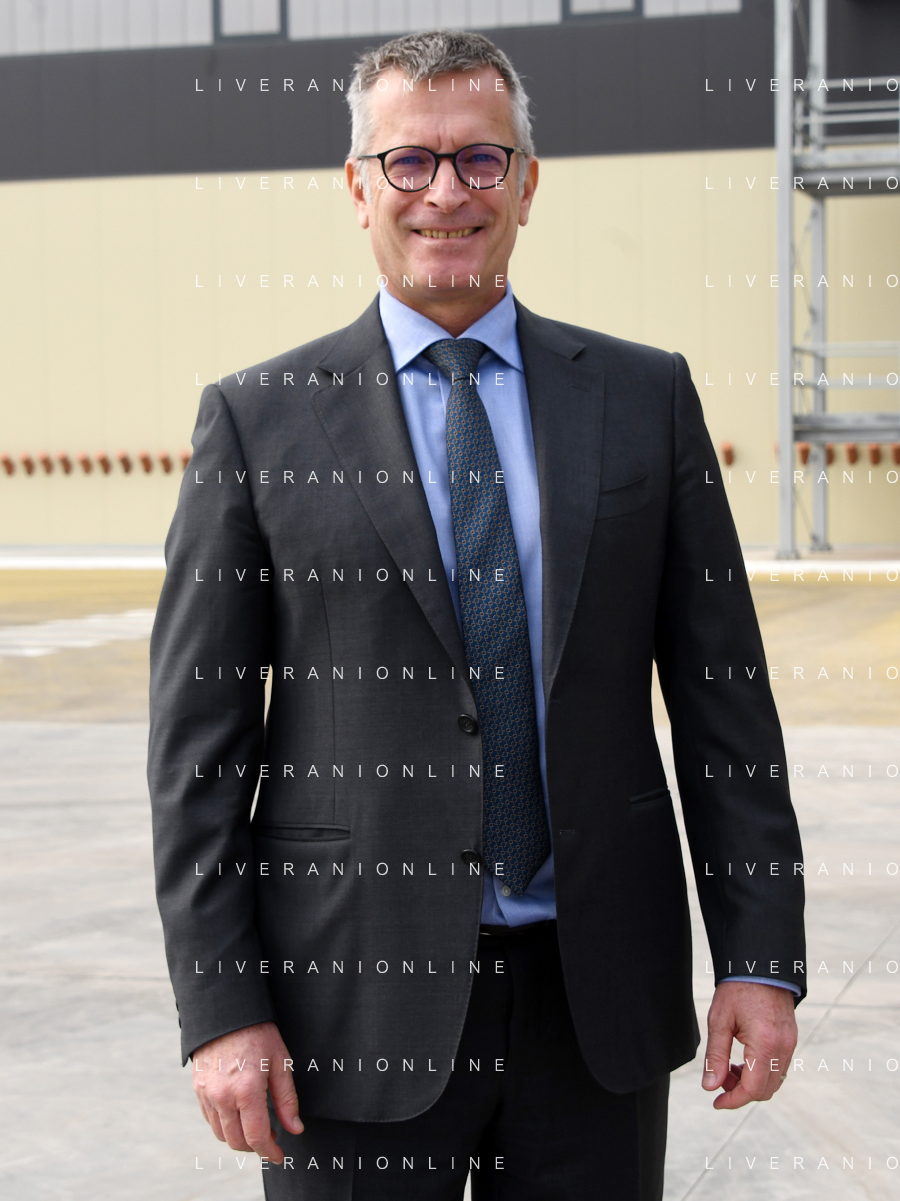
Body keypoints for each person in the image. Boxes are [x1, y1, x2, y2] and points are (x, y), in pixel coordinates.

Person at [148, 29, 805, 1201]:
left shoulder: (644, 397)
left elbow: (726, 708)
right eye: (408, 161)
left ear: (527, 184)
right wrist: (220, 1007)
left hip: (594, 1001)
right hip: (347, 1008)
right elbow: (198, 754)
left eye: (479, 159)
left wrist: (760, 955)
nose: (445, 192)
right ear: (359, 188)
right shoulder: (258, 422)